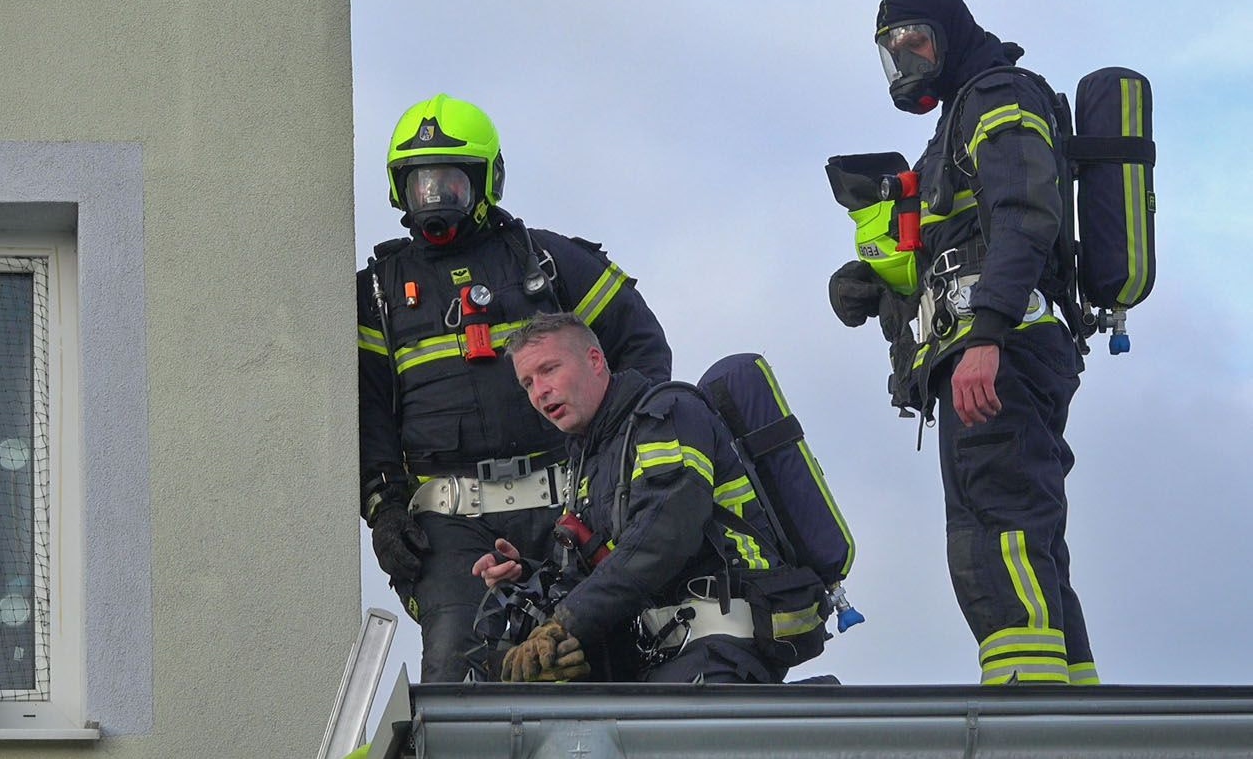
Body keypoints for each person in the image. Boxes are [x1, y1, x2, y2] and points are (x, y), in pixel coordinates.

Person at [357, 94, 672, 683]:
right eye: (422, 184)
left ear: (486, 181)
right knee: (458, 663)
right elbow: (368, 413)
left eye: (451, 183)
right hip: (449, 526)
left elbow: (642, 346)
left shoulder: (549, 261)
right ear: (400, 190)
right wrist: (384, 508)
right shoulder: (376, 294)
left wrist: (620, 455)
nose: (436, 199)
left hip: (571, 505)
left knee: (595, 656)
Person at [828, 0, 1098, 685]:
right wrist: (874, 284)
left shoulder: (998, 93)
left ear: (948, 33)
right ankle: (1073, 696)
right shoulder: (956, 118)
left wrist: (986, 338)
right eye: (892, 49)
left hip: (999, 349)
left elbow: (1024, 213)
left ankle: (1028, 699)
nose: (905, 59)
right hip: (992, 345)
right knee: (1022, 529)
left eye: (913, 39)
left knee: (996, 526)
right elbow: (953, 246)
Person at [473, 312, 815, 684]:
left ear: (594, 360)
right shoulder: (591, 459)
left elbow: (664, 536)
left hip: (723, 642)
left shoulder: (665, 414)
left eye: (549, 369)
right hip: (662, 655)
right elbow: (591, 568)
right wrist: (527, 574)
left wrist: (567, 621)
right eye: (527, 383)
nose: (539, 392)